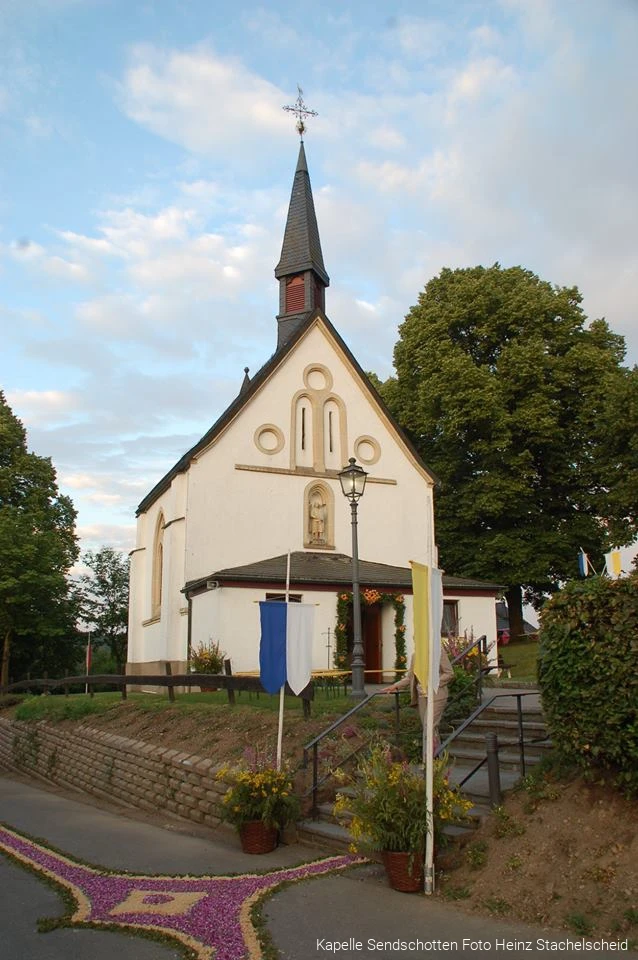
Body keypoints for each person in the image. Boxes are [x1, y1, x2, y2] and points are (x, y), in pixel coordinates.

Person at [384, 647, 454, 748]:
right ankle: (436, 757)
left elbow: (449, 673)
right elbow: (410, 677)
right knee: (429, 729)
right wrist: (395, 686)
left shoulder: (438, 651)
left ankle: (431, 757)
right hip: (422, 696)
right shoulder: (415, 655)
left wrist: (432, 684)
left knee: (429, 726)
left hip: (437, 695)